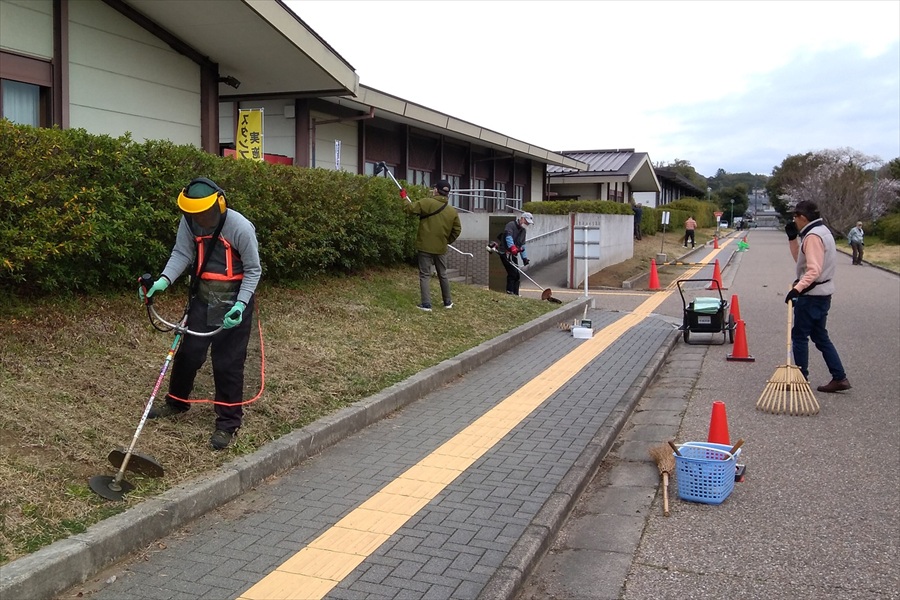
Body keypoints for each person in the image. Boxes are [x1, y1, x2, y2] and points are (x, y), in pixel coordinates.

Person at [140, 177, 262, 449]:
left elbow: (253, 270)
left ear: (220, 205)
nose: (200, 219)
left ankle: (228, 424)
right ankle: (177, 402)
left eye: (204, 213)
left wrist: (240, 305)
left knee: (227, 362)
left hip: (234, 301)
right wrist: (163, 281)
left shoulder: (240, 227)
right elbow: (182, 253)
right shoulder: (189, 221)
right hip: (204, 297)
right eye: (194, 214)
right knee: (189, 353)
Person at [784, 200, 850, 393]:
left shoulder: (813, 236)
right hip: (823, 293)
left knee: (799, 336)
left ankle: (801, 378)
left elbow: (813, 270)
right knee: (820, 336)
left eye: (795, 216)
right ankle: (839, 377)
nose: (794, 220)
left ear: (803, 217)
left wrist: (797, 289)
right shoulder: (823, 231)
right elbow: (802, 261)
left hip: (812, 295)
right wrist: (792, 239)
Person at [403, 179, 461, 311]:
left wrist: (404, 197)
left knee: (425, 274)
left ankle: (426, 304)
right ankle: (447, 302)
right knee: (443, 274)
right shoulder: (452, 211)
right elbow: (457, 230)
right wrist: (447, 241)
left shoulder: (426, 202)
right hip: (441, 247)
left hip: (425, 246)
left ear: (436, 190)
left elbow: (409, 209)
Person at [496, 212, 534, 295]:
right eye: (526, 222)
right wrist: (512, 247)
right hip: (505, 252)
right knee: (512, 273)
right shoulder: (511, 225)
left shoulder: (523, 231)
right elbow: (508, 237)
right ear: (522, 219)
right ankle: (510, 291)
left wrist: (524, 258)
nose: (527, 224)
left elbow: (522, 245)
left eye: (528, 223)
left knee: (517, 275)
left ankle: (515, 293)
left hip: (513, 254)